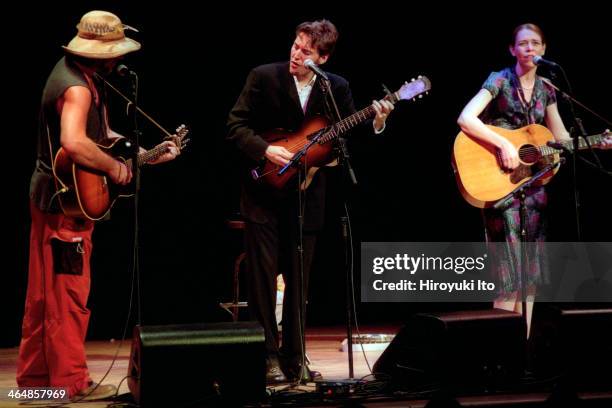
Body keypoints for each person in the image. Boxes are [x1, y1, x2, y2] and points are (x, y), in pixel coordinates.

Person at [17, 10, 179, 401]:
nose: (119, 61)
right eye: (116, 53)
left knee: (43, 297)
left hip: (49, 198)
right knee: (69, 295)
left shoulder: (76, 74)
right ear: (102, 52)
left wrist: (141, 155)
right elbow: (73, 142)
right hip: (64, 208)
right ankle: (71, 385)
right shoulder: (78, 88)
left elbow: (96, 133)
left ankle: (36, 386)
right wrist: (115, 169)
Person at [227, 19, 393, 383]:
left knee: (300, 285)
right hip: (263, 193)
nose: (296, 54)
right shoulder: (263, 76)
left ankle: (295, 358)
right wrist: (266, 149)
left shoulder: (337, 88)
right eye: (295, 45)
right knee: (262, 283)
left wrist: (377, 121)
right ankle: (267, 356)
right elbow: (235, 126)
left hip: (307, 198)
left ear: (324, 57)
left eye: (306, 51)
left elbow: (348, 141)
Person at [457, 23, 611, 337]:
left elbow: (560, 137)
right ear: (512, 50)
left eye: (535, 44)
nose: (529, 48)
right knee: (508, 277)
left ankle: (522, 350)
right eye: (523, 44)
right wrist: (502, 144)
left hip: (534, 187)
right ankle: (501, 349)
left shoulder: (548, 89)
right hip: (502, 186)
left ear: (543, 50)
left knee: (529, 278)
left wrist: (593, 141)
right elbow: (466, 118)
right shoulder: (499, 80)